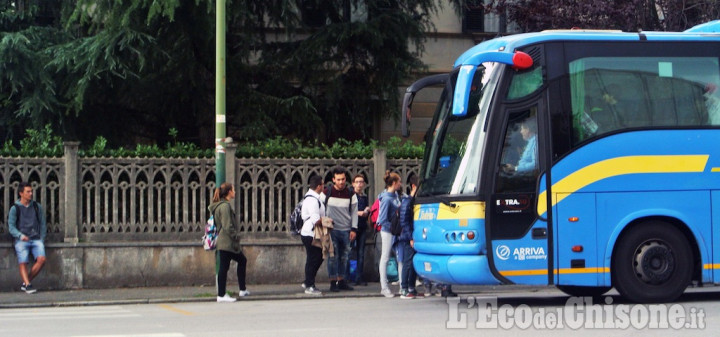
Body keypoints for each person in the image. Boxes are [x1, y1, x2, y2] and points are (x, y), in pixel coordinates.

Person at [209, 182, 249, 302]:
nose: (235, 192)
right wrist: (236, 236)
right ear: (229, 193)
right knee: (224, 267)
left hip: (225, 242)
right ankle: (221, 295)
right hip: (226, 242)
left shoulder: (219, 206)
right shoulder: (225, 206)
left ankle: (241, 290)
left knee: (238, 262)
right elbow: (227, 225)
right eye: (233, 190)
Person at [321, 166, 359, 292]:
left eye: (343, 179)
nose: (341, 182)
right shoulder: (327, 193)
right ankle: (333, 282)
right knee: (333, 257)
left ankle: (341, 280)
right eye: (338, 179)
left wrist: (354, 229)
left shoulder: (350, 194)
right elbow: (319, 209)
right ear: (333, 180)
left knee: (345, 257)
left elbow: (354, 212)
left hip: (346, 230)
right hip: (331, 231)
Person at [8, 182, 47, 294]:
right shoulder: (15, 208)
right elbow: (11, 226)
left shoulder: (36, 206)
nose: (31, 194)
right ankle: (28, 285)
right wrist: (20, 235)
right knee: (23, 261)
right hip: (22, 239)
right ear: (21, 193)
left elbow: (42, 223)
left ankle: (26, 282)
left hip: (36, 238)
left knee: (42, 259)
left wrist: (42, 238)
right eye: (28, 192)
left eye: (31, 191)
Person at [377, 170, 402, 298]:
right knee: (385, 257)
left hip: (395, 230)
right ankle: (384, 287)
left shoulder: (395, 195)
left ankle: (402, 285)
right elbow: (382, 219)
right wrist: (393, 228)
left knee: (399, 257)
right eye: (399, 182)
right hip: (388, 231)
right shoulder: (387, 199)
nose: (400, 184)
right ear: (393, 183)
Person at [397, 175, 422, 299]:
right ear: (413, 187)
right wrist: (410, 237)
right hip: (408, 237)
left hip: (413, 236)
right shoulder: (407, 202)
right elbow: (404, 222)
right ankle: (404, 288)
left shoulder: (415, 201)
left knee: (412, 263)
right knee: (407, 263)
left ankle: (411, 287)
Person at [301, 175, 326, 295]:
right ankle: (310, 285)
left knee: (315, 258)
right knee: (315, 258)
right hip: (310, 233)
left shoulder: (313, 198)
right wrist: (328, 221)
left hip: (310, 233)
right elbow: (316, 219)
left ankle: (308, 281)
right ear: (319, 186)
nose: (324, 187)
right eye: (323, 185)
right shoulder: (313, 200)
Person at [351, 174, 370, 286]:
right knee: (349, 252)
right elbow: (348, 211)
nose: (359, 184)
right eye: (357, 182)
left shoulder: (364, 196)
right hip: (353, 227)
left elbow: (366, 207)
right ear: (353, 183)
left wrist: (367, 210)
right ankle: (347, 277)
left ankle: (359, 277)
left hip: (362, 226)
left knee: (361, 253)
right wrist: (359, 213)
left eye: (361, 182)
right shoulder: (351, 196)